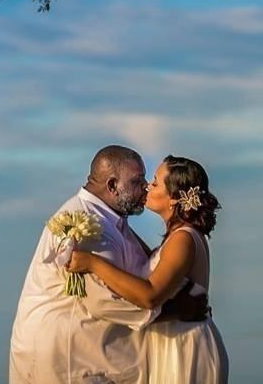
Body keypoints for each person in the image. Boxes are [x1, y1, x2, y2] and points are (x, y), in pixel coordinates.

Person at [9, 145, 208, 384]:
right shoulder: (85, 224)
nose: (145, 187)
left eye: (149, 181)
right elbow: (103, 301)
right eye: (138, 181)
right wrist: (174, 312)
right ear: (113, 186)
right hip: (69, 356)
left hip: (102, 355)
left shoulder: (112, 221)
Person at [67, 156, 229, 383]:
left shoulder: (183, 239)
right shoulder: (176, 237)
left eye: (154, 182)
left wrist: (93, 263)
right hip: (172, 343)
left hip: (185, 347)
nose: (147, 187)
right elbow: (138, 250)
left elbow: (150, 295)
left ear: (174, 198)